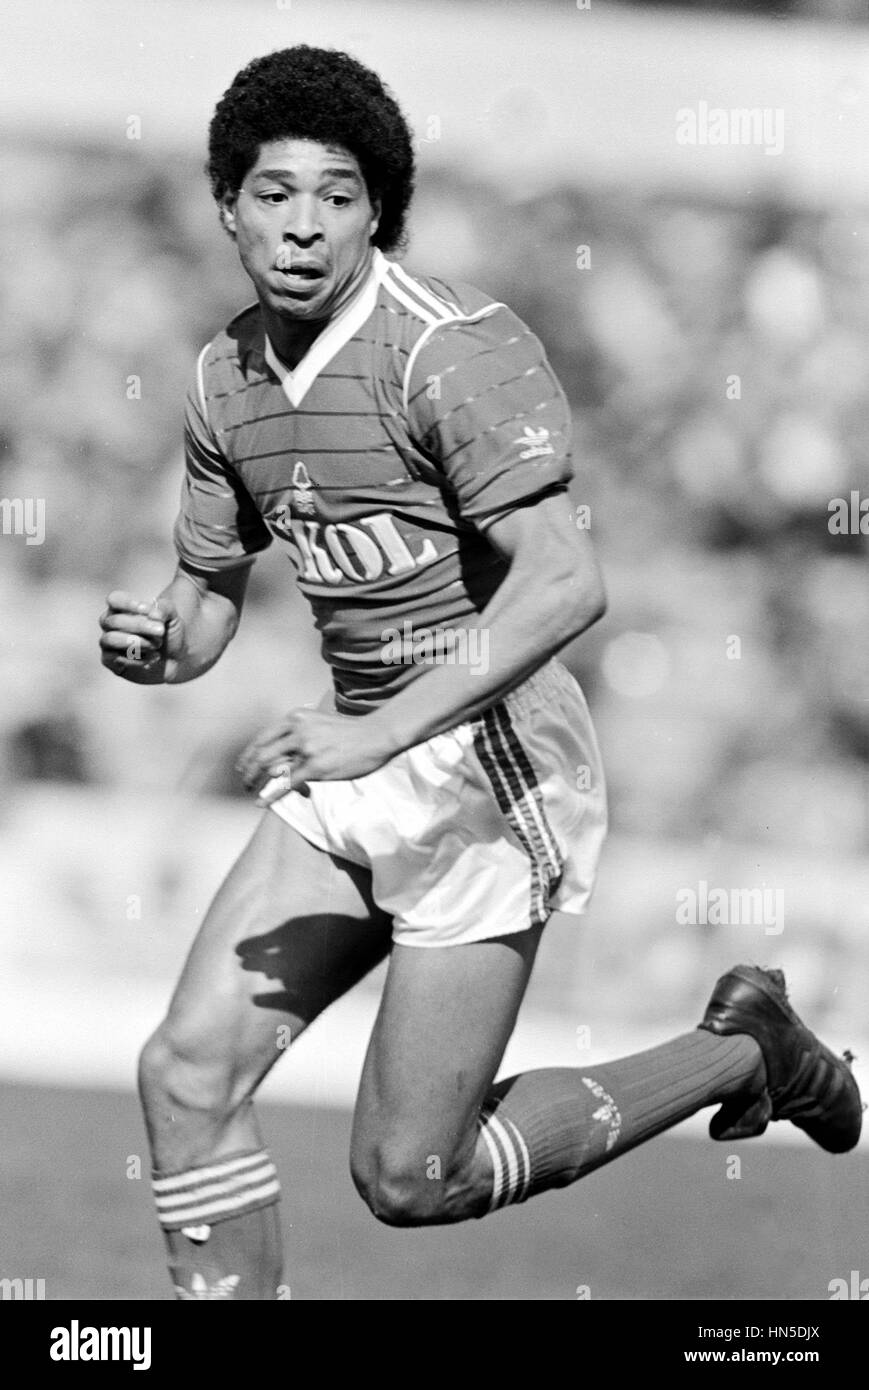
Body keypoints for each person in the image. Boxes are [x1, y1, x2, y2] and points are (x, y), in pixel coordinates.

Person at [98, 46, 862, 1300]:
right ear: (226, 204)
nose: (301, 223)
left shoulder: (448, 351)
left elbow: (565, 583)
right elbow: (203, 610)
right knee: (184, 1072)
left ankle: (738, 1059)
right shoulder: (219, 378)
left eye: (336, 195)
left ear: (377, 211)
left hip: (483, 768)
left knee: (411, 1180)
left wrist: (379, 730)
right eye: (273, 191)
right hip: (354, 755)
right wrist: (156, 645)